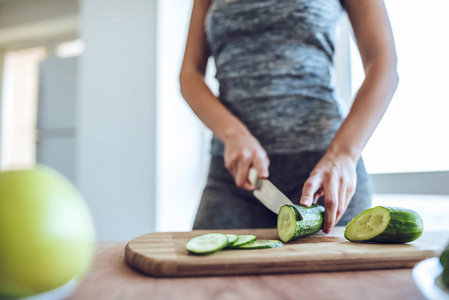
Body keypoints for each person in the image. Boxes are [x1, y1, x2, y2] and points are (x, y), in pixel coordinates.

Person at [179, 0, 398, 233]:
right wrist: (233, 134)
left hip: (323, 176)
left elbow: (383, 62)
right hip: (235, 176)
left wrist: (343, 154)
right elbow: (189, 74)